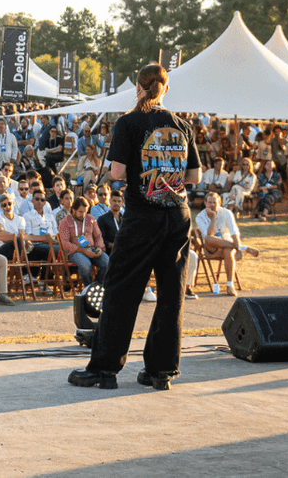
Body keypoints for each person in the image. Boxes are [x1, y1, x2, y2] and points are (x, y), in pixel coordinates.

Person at [68, 63, 201, 392]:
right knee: (172, 294)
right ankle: (161, 371)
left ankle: (105, 370)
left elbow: (116, 173)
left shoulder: (129, 122)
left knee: (121, 290)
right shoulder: (181, 124)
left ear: (138, 88)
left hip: (144, 216)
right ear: (165, 89)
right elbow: (195, 177)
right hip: (178, 214)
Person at [193, 192, 260, 296]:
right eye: (210, 202)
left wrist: (236, 250)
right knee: (209, 238)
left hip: (226, 247)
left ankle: (230, 285)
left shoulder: (227, 213)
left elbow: (234, 232)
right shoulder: (200, 217)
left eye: (214, 202)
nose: (212, 205)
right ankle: (243, 247)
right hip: (211, 249)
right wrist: (213, 218)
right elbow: (208, 236)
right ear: (205, 203)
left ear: (220, 203)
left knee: (227, 250)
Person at [58, 196, 109, 286]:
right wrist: (83, 250)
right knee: (85, 265)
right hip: (75, 252)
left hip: (92, 249)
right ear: (73, 210)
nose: (83, 214)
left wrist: (99, 248)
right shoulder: (65, 222)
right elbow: (65, 243)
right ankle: (88, 286)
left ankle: (98, 285)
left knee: (107, 262)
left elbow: (98, 237)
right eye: (80, 212)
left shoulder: (91, 219)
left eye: (85, 211)